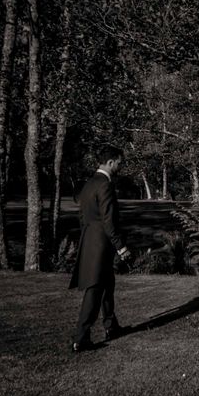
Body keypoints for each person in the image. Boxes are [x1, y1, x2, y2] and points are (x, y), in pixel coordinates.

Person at [69, 145, 132, 352]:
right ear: (111, 162)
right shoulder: (105, 184)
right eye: (119, 163)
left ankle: (111, 326)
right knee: (95, 290)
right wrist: (121, 247)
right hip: (101, 245)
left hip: (90, 240)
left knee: (107, 285)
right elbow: (109, 220)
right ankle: (81, 338)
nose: (120, 167)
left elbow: (83, 217)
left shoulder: (89, 184)